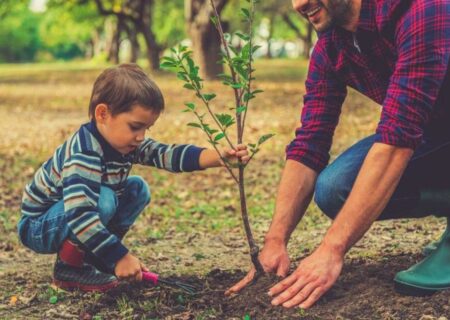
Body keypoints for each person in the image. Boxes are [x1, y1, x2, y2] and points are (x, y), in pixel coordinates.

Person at [226, 0, 450, 309]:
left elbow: (398, 139)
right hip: (437, 133)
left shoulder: (424, 9)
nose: (299, 4)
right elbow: (309, 143)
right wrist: (275, 241)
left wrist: (332, 250)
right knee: (336, 187)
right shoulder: (333, 46)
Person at [17, 63, 249, 292]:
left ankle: (96, 257)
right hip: (39, 226)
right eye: (135, 126)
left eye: (146, 129)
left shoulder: (125, 143)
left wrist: (218, 157)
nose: (141, 137)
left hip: (71, 216)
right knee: (104, 199)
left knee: (136, 188)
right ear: (103, 114)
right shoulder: (84, 153)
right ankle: (70, 268)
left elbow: (166, 154)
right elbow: (79, 214)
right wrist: (120, 257)